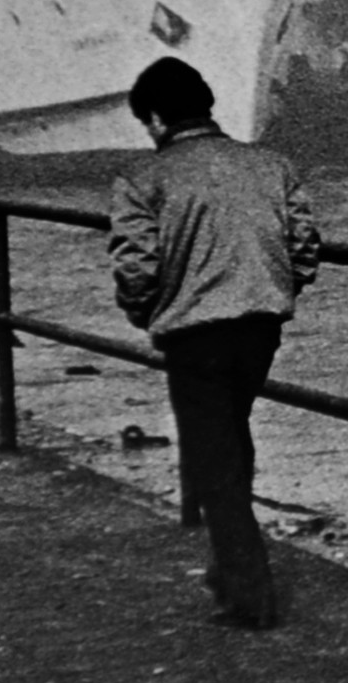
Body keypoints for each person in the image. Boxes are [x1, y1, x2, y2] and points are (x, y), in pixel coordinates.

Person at [106, 58, 321, 630]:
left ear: (155, 119)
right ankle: (229, 569)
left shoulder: (142, 179)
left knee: (215, 457)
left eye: (146, 123)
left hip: (193, 335)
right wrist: (273, 288)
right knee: (232, 439)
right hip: (260, 328)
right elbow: (303, 248)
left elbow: (135, 268)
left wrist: (147, 313)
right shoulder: (270, 166)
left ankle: (249, 595)